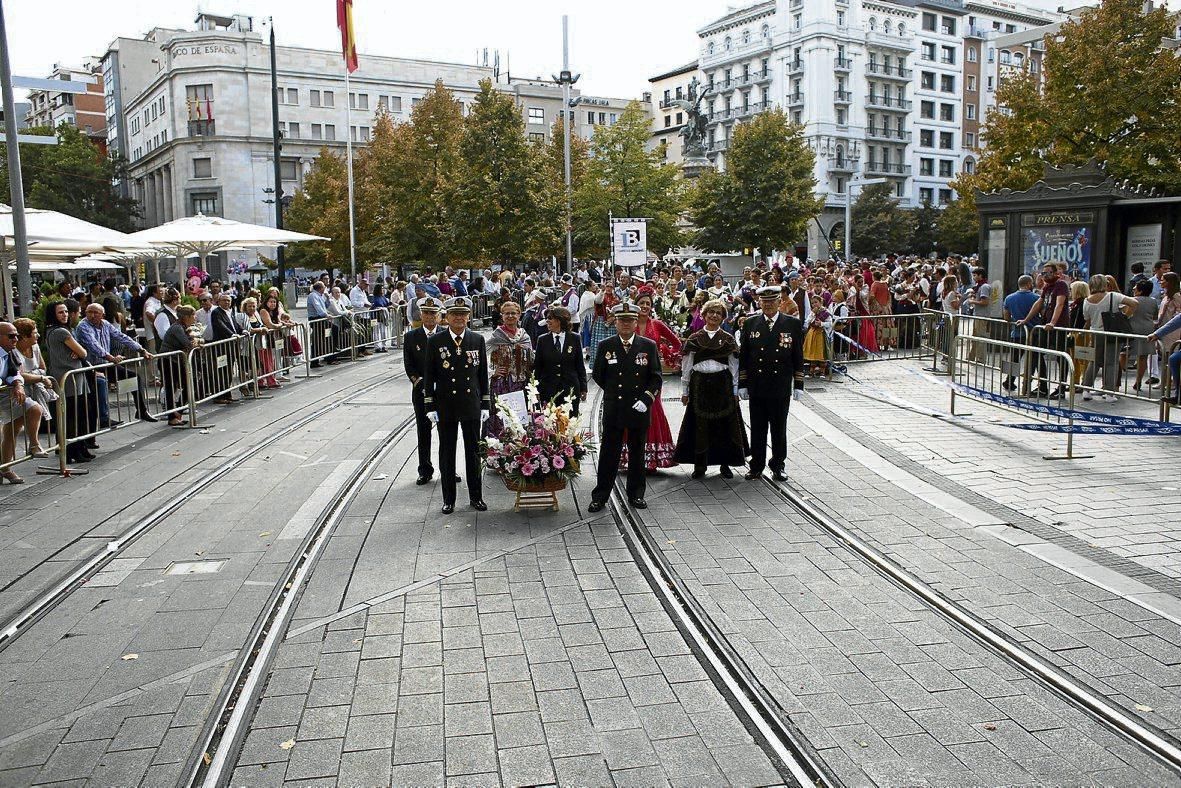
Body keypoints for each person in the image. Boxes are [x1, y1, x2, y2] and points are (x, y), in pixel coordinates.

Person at [588, 302, 662, 513]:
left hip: (639, 407)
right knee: (609, 452)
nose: (626, 324)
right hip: (615, 407)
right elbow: (598, 374)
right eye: (622, 320)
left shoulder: (648, 346)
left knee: (637, 452)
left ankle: (636, 494)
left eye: (630, 320)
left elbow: (655, 378)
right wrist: (613, 393)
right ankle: (600, 495)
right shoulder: (606, 345)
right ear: (616, 322)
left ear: (636, 322)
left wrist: (646, 399)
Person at [423, 297, 490, 514]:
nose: (459, 318)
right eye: (454, 314)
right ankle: (448, 499)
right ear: (447, 318)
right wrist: (429, 406)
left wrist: (485, 404)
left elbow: (482, 376)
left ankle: (476, 496)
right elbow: (429, 375)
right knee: (447, 452)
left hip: (471, 404)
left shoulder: (477, 339)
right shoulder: (436, 341)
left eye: (463, 314)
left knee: (473, 452)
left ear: (468, 317)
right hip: (446, 405)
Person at [674, 299, 747, 479]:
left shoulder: (728, 340)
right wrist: (685, 391)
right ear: (704, 315)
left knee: (724, 425)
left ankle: (725, 464)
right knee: (700, 426)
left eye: (718, 313)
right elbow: (687, 366)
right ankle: (700, 465)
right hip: (699, 385)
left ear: (723, 317)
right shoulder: (694, 338)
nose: (714, 315)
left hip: (722, 384)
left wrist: (735, 390)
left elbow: (734, 366)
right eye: (711, 312)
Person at [738, 286, 804, 482]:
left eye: (772, 301)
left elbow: (797, 356)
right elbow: (745, 356)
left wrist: (799, 384)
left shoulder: (791, 324)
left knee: (778, 428)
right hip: (757, 385)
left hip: (780, 385)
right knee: (757, 428)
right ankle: (756, 465)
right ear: (759, 303)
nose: (768, 305)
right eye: (764, 302)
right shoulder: (750, 323)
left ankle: (778, 465)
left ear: (779, 302)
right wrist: (742, 383)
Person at [626, 289, 681, 473]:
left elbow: (677, 343)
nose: (644, 306)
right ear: (635, 305)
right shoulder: (628, 324)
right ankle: (631, 457)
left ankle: (652, 458)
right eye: (641, 303)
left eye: (648, 303)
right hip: (631, 375)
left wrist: (666, 353)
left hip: (652, 376)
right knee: (631, 411)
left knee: (653, 410)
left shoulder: (657, 324)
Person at [44, 301, 94, 466]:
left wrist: (78, 353)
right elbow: (83, 352)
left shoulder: (55, 331)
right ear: (53, 314)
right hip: (67, 377)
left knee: (78, 414)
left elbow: (80, 352)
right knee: (73, 415)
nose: (65, 314)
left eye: (65, 311)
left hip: (73, 376)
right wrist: (78, 352)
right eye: (60, 312)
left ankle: (80, 448)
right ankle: (74, 450)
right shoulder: (59, 332)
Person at [403, 297, 446, 485]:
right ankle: (425, 469)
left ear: (439, 316)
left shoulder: (446, 334)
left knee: (446, 432)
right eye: (426, 313)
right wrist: (421, 383)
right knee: (423, 430)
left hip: (444, 392)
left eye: (433, 313)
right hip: (421, 392)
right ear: (421, 314)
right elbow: (409, 365)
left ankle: (448, 469)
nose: (429, 317)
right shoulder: (411, 337)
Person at [0, 321, 48, 482]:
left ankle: (8, 466)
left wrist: (18, 384)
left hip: (8, 395)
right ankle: (5, 467)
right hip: (4, 395)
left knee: (33, 410)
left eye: (17, 336)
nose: (15, 339)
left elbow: (14, 373)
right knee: (11, 429)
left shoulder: (10, 352)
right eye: (11, 336)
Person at [1016, 263, 1071, 398]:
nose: (1045, 276)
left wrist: (1053, 322)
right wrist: (1026, 319)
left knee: (1061, 357)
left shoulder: (1061, 285)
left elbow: (1060, 304)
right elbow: (1039, 303)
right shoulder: (1047, 287)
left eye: (1048, 273)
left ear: (1055, 273)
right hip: (1045, 325)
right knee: (1037, 352)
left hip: (1058, 327)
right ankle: (1043, 385)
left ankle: (1061, 388)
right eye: (1043, 273)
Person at [1081, 274, 1137, 401]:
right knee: (1111, 362)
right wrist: (1125, 316)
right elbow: (1134, 303)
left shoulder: (1087, 300)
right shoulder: (1113, 296)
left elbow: (1087, 320)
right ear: (1104, 284)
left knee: (1093, 362)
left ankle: (1086, 389)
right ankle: (1109, 393)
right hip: (1112, 333)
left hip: (1095, 333)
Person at [485, 301, 533, 438]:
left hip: (521, 384)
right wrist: (492, 372)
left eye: (513, 313)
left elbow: (531, 360)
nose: (510, 316)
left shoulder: (524, 336)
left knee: (520, 419)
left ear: (519, 315)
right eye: (507, 313)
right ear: (502, 316)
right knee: (502, 418)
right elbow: (482, 356)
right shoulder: (496, 336)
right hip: (501, 385)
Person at [533, 305, 587, 416]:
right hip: (549, 390)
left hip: (570, 389)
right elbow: (538, 367)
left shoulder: (575, 338)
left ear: (560, 321)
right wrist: (535, 389)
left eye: (550, 318)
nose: (547, 321)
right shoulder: (542, 340)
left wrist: (583, 388)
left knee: (570, 424)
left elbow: (580, 365)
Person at [159, 305, 201, 426]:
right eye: (193, 315)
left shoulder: (184, 327)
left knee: (189, 383)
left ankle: (178, 410)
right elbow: (189, 344)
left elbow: (193, 342)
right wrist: (198, 342)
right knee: (171, 388)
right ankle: (172, 416)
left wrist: (196, 340)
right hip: (168, 361)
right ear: (186, 317)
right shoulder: (177, 328)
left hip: (177, 361)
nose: (195, 317)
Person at [1128, 279, 1160, 393]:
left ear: (1140, 290)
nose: (1133, 289)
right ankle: (1139, 381)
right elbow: (1155, 316)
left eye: (1135, 288)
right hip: (1147, 329)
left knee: (1123, 353)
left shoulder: (1132, 300)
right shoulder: (1153, 301)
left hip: (1131, 329)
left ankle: (1117, 380)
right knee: (1143, 356)